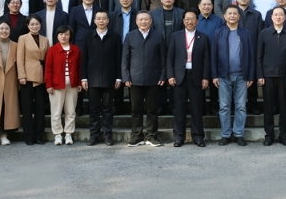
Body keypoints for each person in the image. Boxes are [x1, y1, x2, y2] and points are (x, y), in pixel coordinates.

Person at [211, 5, 255, 146]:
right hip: (223, 76)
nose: (232, 16)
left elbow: (251, 55)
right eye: (229, 13)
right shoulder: (218, 33)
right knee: (224, 106)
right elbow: (213, 55)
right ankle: (225, 134)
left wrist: (251, 75)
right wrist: (214, 75)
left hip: (242, 75)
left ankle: (238, 134)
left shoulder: (246, 33)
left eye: (235, 13)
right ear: (224, 16)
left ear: (239, 16)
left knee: (241, 106)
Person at [123, 11, 167, 147]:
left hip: (153, 78)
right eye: (140, 20)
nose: (143, 22)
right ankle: (137, 136)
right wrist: (126, 77)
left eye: (146, 19)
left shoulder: (158, 35)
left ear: (151, 21)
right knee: (136, 109)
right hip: (134, 79)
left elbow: (163, 58)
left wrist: (163, 75)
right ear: (136, 22)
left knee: (152, 110)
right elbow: (125, 59)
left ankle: (152, 136)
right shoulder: (130, 36)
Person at [167, 9, 210, 147]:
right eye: (187, 19)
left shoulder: (203, 37)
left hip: (196, 76)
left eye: (192, 19)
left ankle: (198, 137)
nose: (190, 21)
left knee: (197, 108)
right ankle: (179, 137)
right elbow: (170, 58)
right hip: (180, 76)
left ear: (197, 21)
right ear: (183, 21)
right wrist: (170, 75)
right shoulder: (175, 36)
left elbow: (206, 60)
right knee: (179, 108)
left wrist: (205, 77)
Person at [81, 9, 122, 147]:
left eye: (104, 18)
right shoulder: (88, 37)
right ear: (94, 21)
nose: (101, 21)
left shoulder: (115, 36)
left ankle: (107, 135)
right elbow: (84, 59)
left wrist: (118, 77)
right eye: (98, 18)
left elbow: (119, 58)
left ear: (108, 20)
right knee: (93, 109)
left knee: (108, 108)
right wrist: (84, 78)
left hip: (109, 78)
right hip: (92, 79)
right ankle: (94, 135)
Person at [257, 7, 286, 146]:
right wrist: (260, 74)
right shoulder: (264, 33)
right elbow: (259, 56)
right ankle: (269, 135)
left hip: (285, 75)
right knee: (268, 107)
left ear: (285, 17)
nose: (278, 17)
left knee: (284, 107)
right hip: (268, 75)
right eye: (276, 15)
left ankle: (284, 135)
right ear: (271, 17)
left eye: (281, 15)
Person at [45, 25, 82, 146]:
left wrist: (79, 82)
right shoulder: (52, 50)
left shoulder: (76, 49)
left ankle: (68, 133)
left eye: (66, 34)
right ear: (57, 36)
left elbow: (79, 68)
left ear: (70, 36)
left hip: (72, 85)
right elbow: (48, 69)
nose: (63, 36)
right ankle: (57, 134)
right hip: (56, 85)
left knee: (70, 111)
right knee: (56, 112)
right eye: (61, 34)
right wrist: (49, 84)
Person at [16, 15, 50, 145]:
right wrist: (21, 75)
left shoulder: (45, 39)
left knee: (40, 108)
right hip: (27, 77)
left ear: (40, 25)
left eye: (37, 24)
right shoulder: (23, 38)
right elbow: (19, 58)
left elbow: (47, 59)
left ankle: (39, 136)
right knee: (27, 108)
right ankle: (29, 136)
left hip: (41, 76)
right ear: (28, 26)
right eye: (32, 24)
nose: (34, 26)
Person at [235, 0, 263, 115]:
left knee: (252, 78)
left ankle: (253, 104)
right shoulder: (232, 13)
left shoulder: (256, 14)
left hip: (252, 50)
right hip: (236, 52)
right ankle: (235, 105)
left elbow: (260, 34)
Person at [196, 0, 225, 115]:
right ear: (199, 6)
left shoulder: (218, 20)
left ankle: (214, 106)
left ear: (212, 6)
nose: (206, 7)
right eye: (204, 4)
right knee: (199, 83)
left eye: (209, 4)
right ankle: (201, 107)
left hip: (215, 55)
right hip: (198, 56)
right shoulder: (195, 20)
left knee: (214, 83)